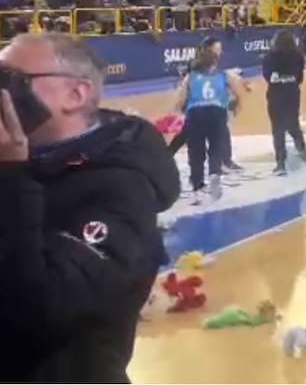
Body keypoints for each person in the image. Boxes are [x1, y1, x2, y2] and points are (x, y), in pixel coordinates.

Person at [0, 34, 179, 382]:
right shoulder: (30, 166)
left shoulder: (123, 189)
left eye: (9, 79)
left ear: (76, 94)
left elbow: (37, 312)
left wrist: (10, 178)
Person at [172, 41, 248, 204]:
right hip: (217, 112)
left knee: (196, 152)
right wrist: (235, 106)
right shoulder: (223, 75)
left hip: (195, 113)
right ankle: (214, 172)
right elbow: (238, 92)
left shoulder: (190, 77)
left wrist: (183, 111)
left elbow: (180, 101)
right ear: (214, 61)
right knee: (215, 146)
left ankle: (197, 188)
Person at [262, 30, 306, 175]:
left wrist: (278, 79)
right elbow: (299, 78)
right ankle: (305, 154)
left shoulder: (269, 57)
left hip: (275, 95)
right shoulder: (297, 56)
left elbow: (267, 77)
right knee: (294, 126)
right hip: (292, 94)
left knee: (277, 130)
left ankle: (280, 164)